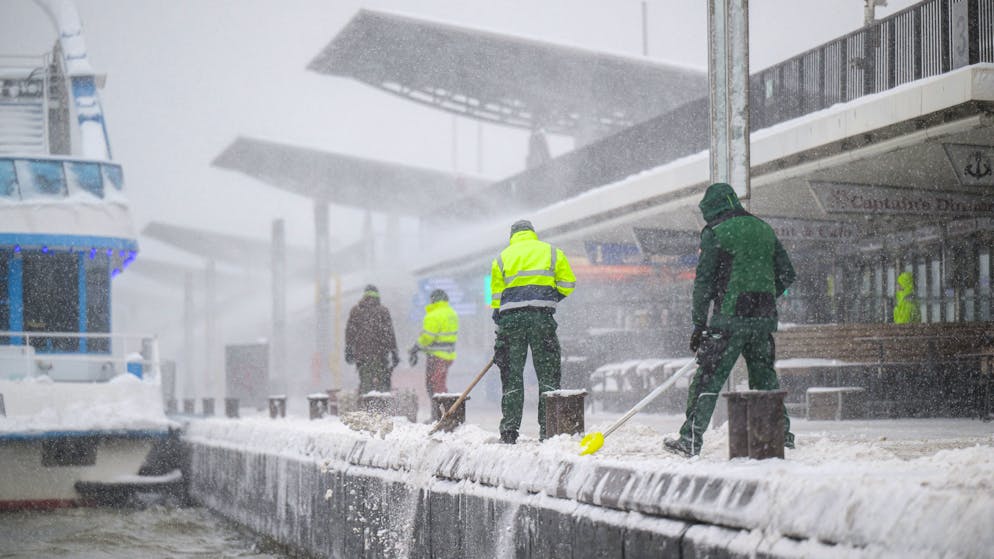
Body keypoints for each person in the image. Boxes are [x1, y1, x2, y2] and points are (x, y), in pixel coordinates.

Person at [664, 183, 797, 457]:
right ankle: (782, 436)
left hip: (729, 319)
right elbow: (787, 273)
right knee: (765, 379)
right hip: (762, 320)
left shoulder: (715, 233)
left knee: (708, 379)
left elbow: (703, 283)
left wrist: (699, 324)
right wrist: (768, 295)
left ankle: (690, 439)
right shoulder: (764, 228)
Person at [490, 220, 576, 444]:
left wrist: (500, 326)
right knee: (548, 374)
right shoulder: (552, 252)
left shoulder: (501, 258)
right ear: (532, 233)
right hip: (541, 318)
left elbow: (497, 300)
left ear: (512, 235)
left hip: (511, 322)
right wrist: (549, 298)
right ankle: (549, 430)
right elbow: (568, 284)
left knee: (511, 376)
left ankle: (509, 430)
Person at [345, 284, 399, 394]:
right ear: (378, 296)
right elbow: (389, 334)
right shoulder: (383, 311)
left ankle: (366, 405)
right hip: (380, 355)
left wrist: (349, 349)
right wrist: (394, 352)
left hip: (362, 356)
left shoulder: (356, 311)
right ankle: (382, 407)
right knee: (382, 384)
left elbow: (350, 333)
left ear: (364, 296)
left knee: (366, 383)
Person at [408, 288, 459, 398]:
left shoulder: (434, 315)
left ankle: (440, 413)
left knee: (434, 386)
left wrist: (416, 347)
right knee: (439, 384)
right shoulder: (452, 313)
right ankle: (440, 412)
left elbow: (428, 337)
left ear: (433, 300)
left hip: (437, 356)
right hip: (449, 355)